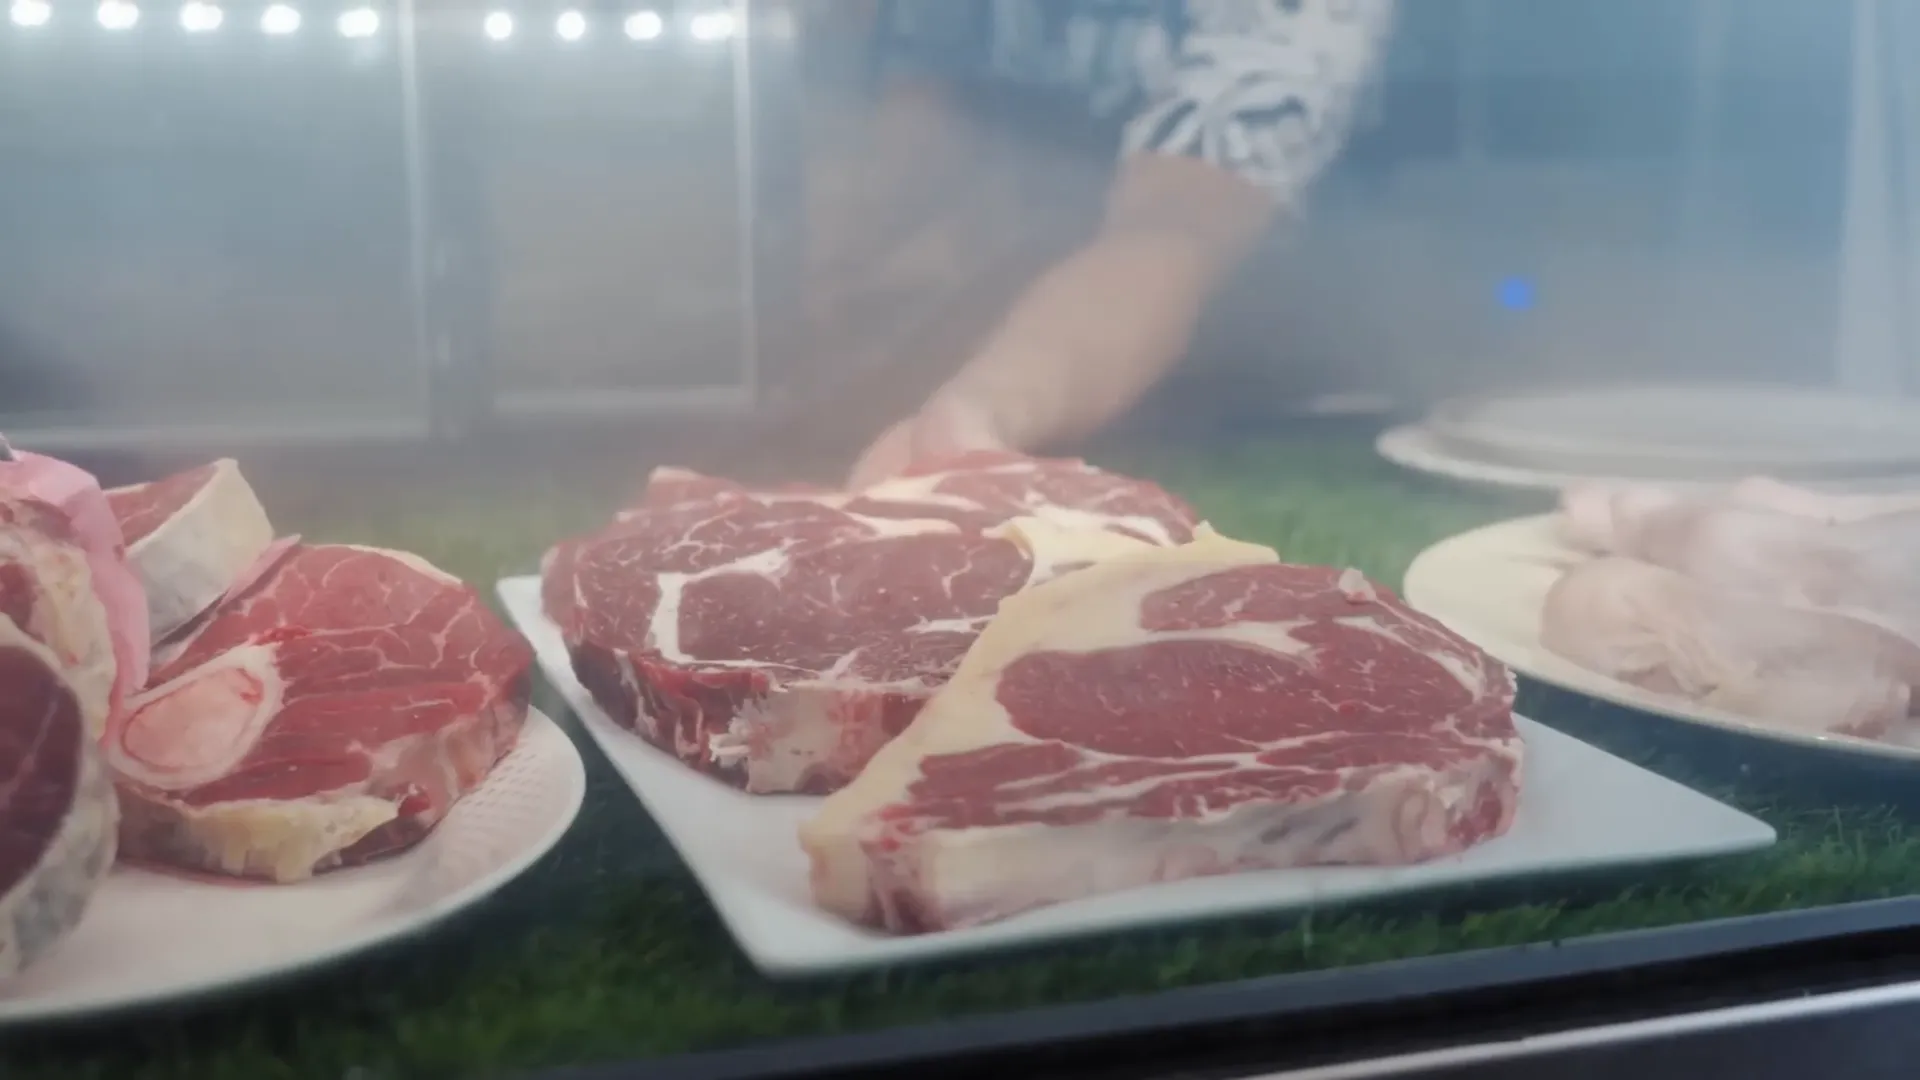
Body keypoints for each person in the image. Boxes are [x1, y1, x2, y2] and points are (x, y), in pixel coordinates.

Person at [844, 0, 1397, 488]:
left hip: (1269, 407)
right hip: (989, 345)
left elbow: (1179, 220)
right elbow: (912, 137)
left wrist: (984, 408)